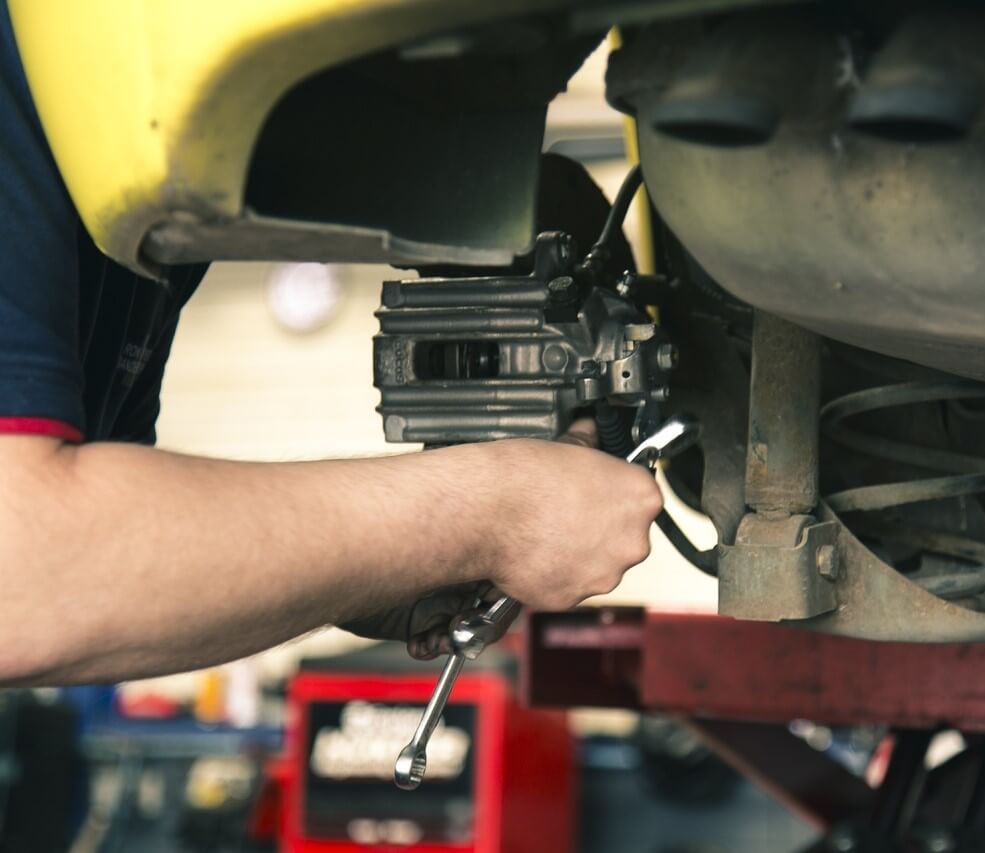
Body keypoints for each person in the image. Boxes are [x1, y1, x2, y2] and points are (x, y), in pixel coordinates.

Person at [0, 6, 662, 686]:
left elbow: (118, 580)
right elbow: (23, 578)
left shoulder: (126, 162)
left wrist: (376, 566)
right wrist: (488, 512)